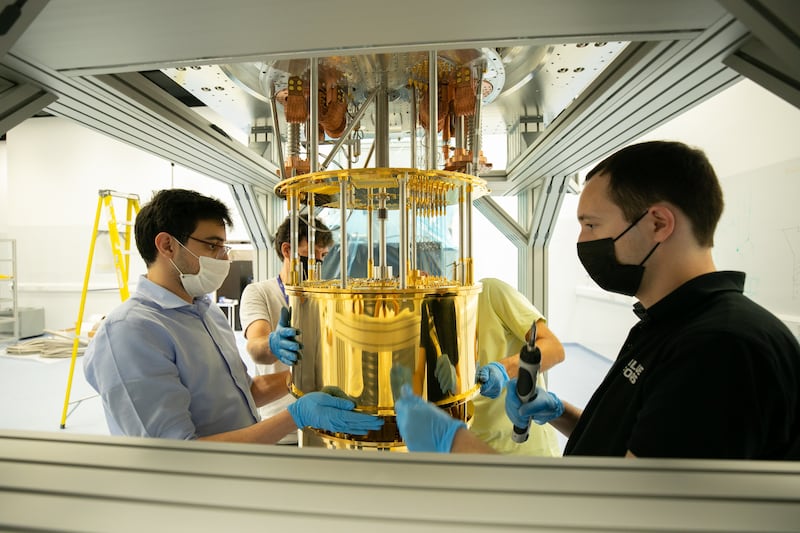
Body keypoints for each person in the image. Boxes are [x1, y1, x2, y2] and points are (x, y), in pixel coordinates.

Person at [395, 140, 800, 459]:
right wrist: (561, 413)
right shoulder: (666, 325)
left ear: (658, 223)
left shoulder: (719, 348)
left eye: (592, 225)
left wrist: (454, 445)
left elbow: (629, 515)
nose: (582, 242)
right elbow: (633, 443)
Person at [83, 189, 382, 442]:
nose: (224, 258)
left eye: (222, 246)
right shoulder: (131, 332)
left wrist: (315, 376)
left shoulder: (205, 312)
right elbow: (173, 455)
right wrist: (297, 415)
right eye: (213, 245)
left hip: (240, 469)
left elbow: (243, 392)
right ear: (167, 245)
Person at [238, 215, 333, 444]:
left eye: (324, 255)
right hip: (282, 431)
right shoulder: (259, 292)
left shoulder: (329, 296)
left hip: (327, 424)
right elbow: (256, 347)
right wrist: (273, 344)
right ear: (288, 250)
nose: (319, 261)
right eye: (313, 253)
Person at [471, 277, 564, 455]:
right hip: (474, 453)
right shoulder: (421, 324)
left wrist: (503, 369)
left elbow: (554, 348)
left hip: (525, 449)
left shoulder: (488, 292)